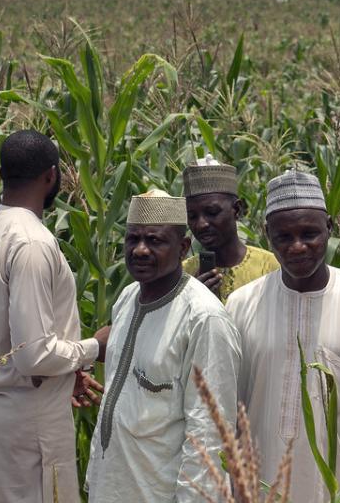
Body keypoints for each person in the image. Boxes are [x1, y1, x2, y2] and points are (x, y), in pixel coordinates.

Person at [0, 130, 107, 503]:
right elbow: (32, 354)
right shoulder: (33, 243)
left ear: (1, 175)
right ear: (51, 176)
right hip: (31, 427)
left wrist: (59, 375)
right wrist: (92, 348)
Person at [227, 169, 340, 503]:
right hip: (260, 488)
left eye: (309, 233)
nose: (297, 246)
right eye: (284, 236)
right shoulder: (241, 305)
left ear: (329, 228)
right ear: (268, 235)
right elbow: (229, 411)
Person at [87, 189, 242, 503]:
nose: (140, 250)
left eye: (155, 241)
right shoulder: (128, 298)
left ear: (183, 247)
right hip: (111, 486)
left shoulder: (203, 318)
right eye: (133, 239)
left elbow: (209, 431)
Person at [183, 155, 279, 301]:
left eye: (212, 213)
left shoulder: (270, 267)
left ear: (237, 209)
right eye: (192, 216)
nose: (201, 224)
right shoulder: (183, 275)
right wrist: (190, 297)